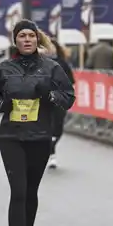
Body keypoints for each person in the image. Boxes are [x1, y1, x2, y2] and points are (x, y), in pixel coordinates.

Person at [0, 19, 75, 226]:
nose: (27, 40)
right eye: (22, 36)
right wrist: (1, 105)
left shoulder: (52, 68)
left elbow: (69, 98)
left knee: (31, 192)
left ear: (37, 40)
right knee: (19, 191)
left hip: (40, 137)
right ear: (15, 41)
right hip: (11, 137)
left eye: (31, 36)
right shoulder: (5, 68)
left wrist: (51, 95)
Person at [46, 38, 74, 169]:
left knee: (59, 128)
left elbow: (71, 80)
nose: (49, 49)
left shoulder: (62, 63)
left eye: (51, 47)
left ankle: (50, 145)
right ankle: (52, 155)